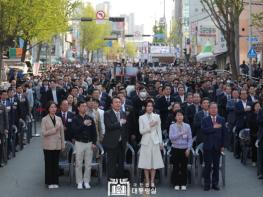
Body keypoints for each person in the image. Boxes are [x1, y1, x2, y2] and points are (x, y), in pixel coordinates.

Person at [138, 100, 164, 188]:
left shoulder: (157, 116)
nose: (150, 107)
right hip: (145, 141)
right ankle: (147, 180)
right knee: (146, 162)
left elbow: (159, 130)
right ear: (145, 107)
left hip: (155, 141)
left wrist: (161, 142)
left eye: (151, 106)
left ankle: (152, 181)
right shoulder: (141, 117)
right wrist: (150, 126)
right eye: (148, 106)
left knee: (154, 162)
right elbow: (141, 131)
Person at [71, 101, 97, 189]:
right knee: (78, 163)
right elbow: (74, 131)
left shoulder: (90, 118)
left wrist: (94, 142)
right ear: (78, 108)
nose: (84, 108)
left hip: (89, 143)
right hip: (79, 143)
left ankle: (86, 181)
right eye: (82, 106)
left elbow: (94, 131)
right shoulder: (75, 118)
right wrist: (83, 124)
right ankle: (79, 181)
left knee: (88, 164)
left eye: (86, 106)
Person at [201, 102, 226, 191]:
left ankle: (215, 184)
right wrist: (214, 128)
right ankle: (207, 183)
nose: (213, 109)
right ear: (208, 109)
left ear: (217, 109)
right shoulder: (205, 119)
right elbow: (204, 130)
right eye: (212, 108)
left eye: (215, 108)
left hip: (217, 147)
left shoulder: (221, 119)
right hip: (208, 146)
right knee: (207, 166)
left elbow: (224, 134)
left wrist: (223, 145)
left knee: (216, 166)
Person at [103, 96, 128, 180]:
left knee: (121, 163)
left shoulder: (123, 113)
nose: (118, 104)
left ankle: (120, 181)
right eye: (116, 102)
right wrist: (119, 123)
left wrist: (125, 140)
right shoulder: (107, 113)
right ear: (111, 104)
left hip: (121, 143)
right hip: (111, 143)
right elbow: (109, 126)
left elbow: (125, 129)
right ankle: (111, 181)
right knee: (111, 163)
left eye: (119, 102)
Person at [41, 101, 65, 189]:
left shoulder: (59, 118)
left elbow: (62, 132)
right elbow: (44, 133)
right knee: (49, 164)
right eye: (51, 107)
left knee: (55, 164)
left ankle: (55, 181)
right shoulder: (44, 119)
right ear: (48, 109)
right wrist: (54, 129)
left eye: (55, 107)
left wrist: (63, 144)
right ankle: (49, 182)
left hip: (57, 144)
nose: (53, 109)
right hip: (48, 145)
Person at [169, 110, 192, 191]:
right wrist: (180, 134)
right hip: (175, 149)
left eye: (181, 115)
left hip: (184, 149)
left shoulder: (187, 126)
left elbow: (189, 139)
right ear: (175, 117)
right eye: (178, 115)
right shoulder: (172, 126)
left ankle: (183, 183)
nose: (179, 117)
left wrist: (188, 149)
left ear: (183, 117)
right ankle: (175, 183)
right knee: (175, 167)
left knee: (183, 167)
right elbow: (171, 138)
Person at [248, 102, 261, 166]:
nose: (258, 107)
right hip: (254, 133)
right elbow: (251, 124)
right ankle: (254, 160)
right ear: (254, 107)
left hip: (261, 133)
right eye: (256, 106)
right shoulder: (251, 115)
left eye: (259, 106)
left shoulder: (261, 114)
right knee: (254, 148)